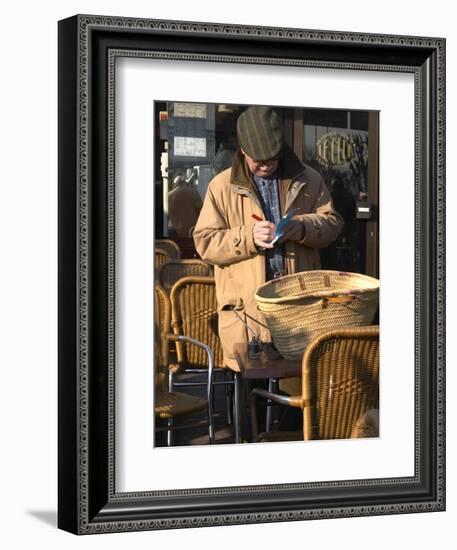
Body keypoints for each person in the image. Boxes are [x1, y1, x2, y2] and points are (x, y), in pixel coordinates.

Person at [193, 106, 343, 371]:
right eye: (257, 159)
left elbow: (333, 224)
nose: (264, 164)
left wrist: (303, 227)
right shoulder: (220, 186)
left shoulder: (310, 179)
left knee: (298, 401)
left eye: (271, 158)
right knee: (248, 405)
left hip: (300, 312)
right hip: (247, 317)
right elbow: (204, 242)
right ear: (242, 151)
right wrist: (247, 236)